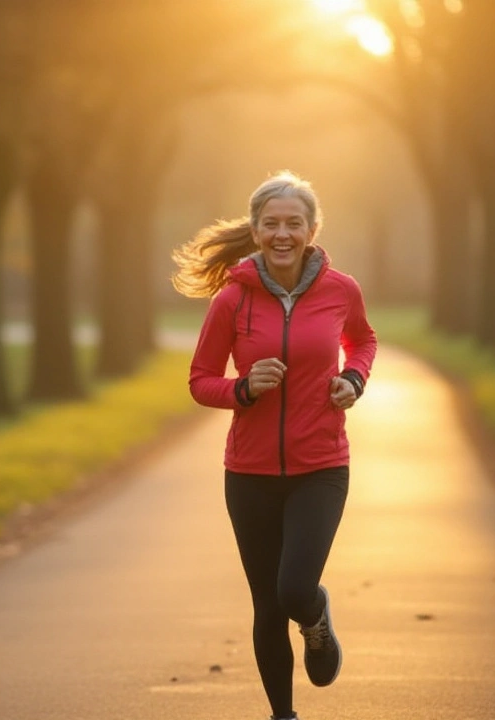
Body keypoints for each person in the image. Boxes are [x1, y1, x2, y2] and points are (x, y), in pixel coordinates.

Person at [172, 171, 377, 720]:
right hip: (250, 473)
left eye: (294, 223)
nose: (282, 233)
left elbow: (362, 339)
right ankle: (282, 716)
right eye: (271, 224)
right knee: (266, 604)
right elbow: (200, 380)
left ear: (311, 230)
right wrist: (242, 388)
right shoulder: (232, 301)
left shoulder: (341, 290)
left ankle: (315, 619)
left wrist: (352, 380)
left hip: (321, 466)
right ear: (256, 230)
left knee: (292, 590)